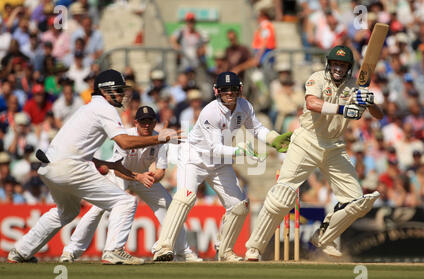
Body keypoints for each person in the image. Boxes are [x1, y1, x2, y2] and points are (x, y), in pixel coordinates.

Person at [8, 69, 181, 264]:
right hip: (70, 167)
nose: (123, 95)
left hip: (50, 166)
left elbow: (82, 152)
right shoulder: (104, 109)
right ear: (105, 91)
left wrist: (109, 164)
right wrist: (160, 137)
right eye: (118, 90)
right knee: (125, 202)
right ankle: (114, 250)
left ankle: (20, 252)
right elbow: (124, 142)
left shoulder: (87, 108)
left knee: (66, 212)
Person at [244, 45, 384, 261]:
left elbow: (379, 115)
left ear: (348, 67)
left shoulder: (353, 87)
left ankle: (324, 238)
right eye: (335, 63)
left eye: (343, 65)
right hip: (307, 141)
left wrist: (370, 101)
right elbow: (312, 103)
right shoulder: (317, 78)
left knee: (357, 201)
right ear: (330, 64)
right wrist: (342, 109)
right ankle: (254, 247)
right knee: (282, 196)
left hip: (334, 145)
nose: (338, 68)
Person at [152, 71, 292, 262]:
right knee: (185, 197)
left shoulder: (244, 106)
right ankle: (163, 247)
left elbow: (257, 128)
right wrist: (238, 150)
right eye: (225, 89)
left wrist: (273, 139)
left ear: (239, 89)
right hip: (195, 158)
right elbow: (213, 147)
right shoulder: (210, 112)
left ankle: (225, 251)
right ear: (217, 91)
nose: (229, 93)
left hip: (219, 163)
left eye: (233, 89)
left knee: (239, 206)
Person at [59, 106, 202, 263]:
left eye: (149, 121)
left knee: (169, 206)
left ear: (155, 122)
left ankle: (183, 252)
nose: (146, 125)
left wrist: (153, 178)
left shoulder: (160, 139)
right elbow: (117, 169)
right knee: (97, 210)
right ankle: (71, 251)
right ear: (136, 123)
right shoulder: (126, 136)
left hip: (142, 176)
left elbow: (161, 170)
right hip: (121, 176)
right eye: (142, 122)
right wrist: (139, 177)